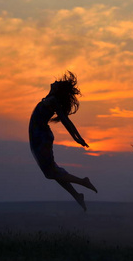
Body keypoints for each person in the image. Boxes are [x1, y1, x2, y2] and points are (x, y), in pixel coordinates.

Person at [29, 71, 97, 211]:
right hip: (37, 137)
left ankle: (82, 182)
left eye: (58, 82)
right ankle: (77, 195)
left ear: (58, 89)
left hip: (41, 137)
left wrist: (77, 138)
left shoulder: (53, 100)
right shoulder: (49, 98)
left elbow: (66, 121)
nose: (55, 81)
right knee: (52, 171)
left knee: (50, 172)